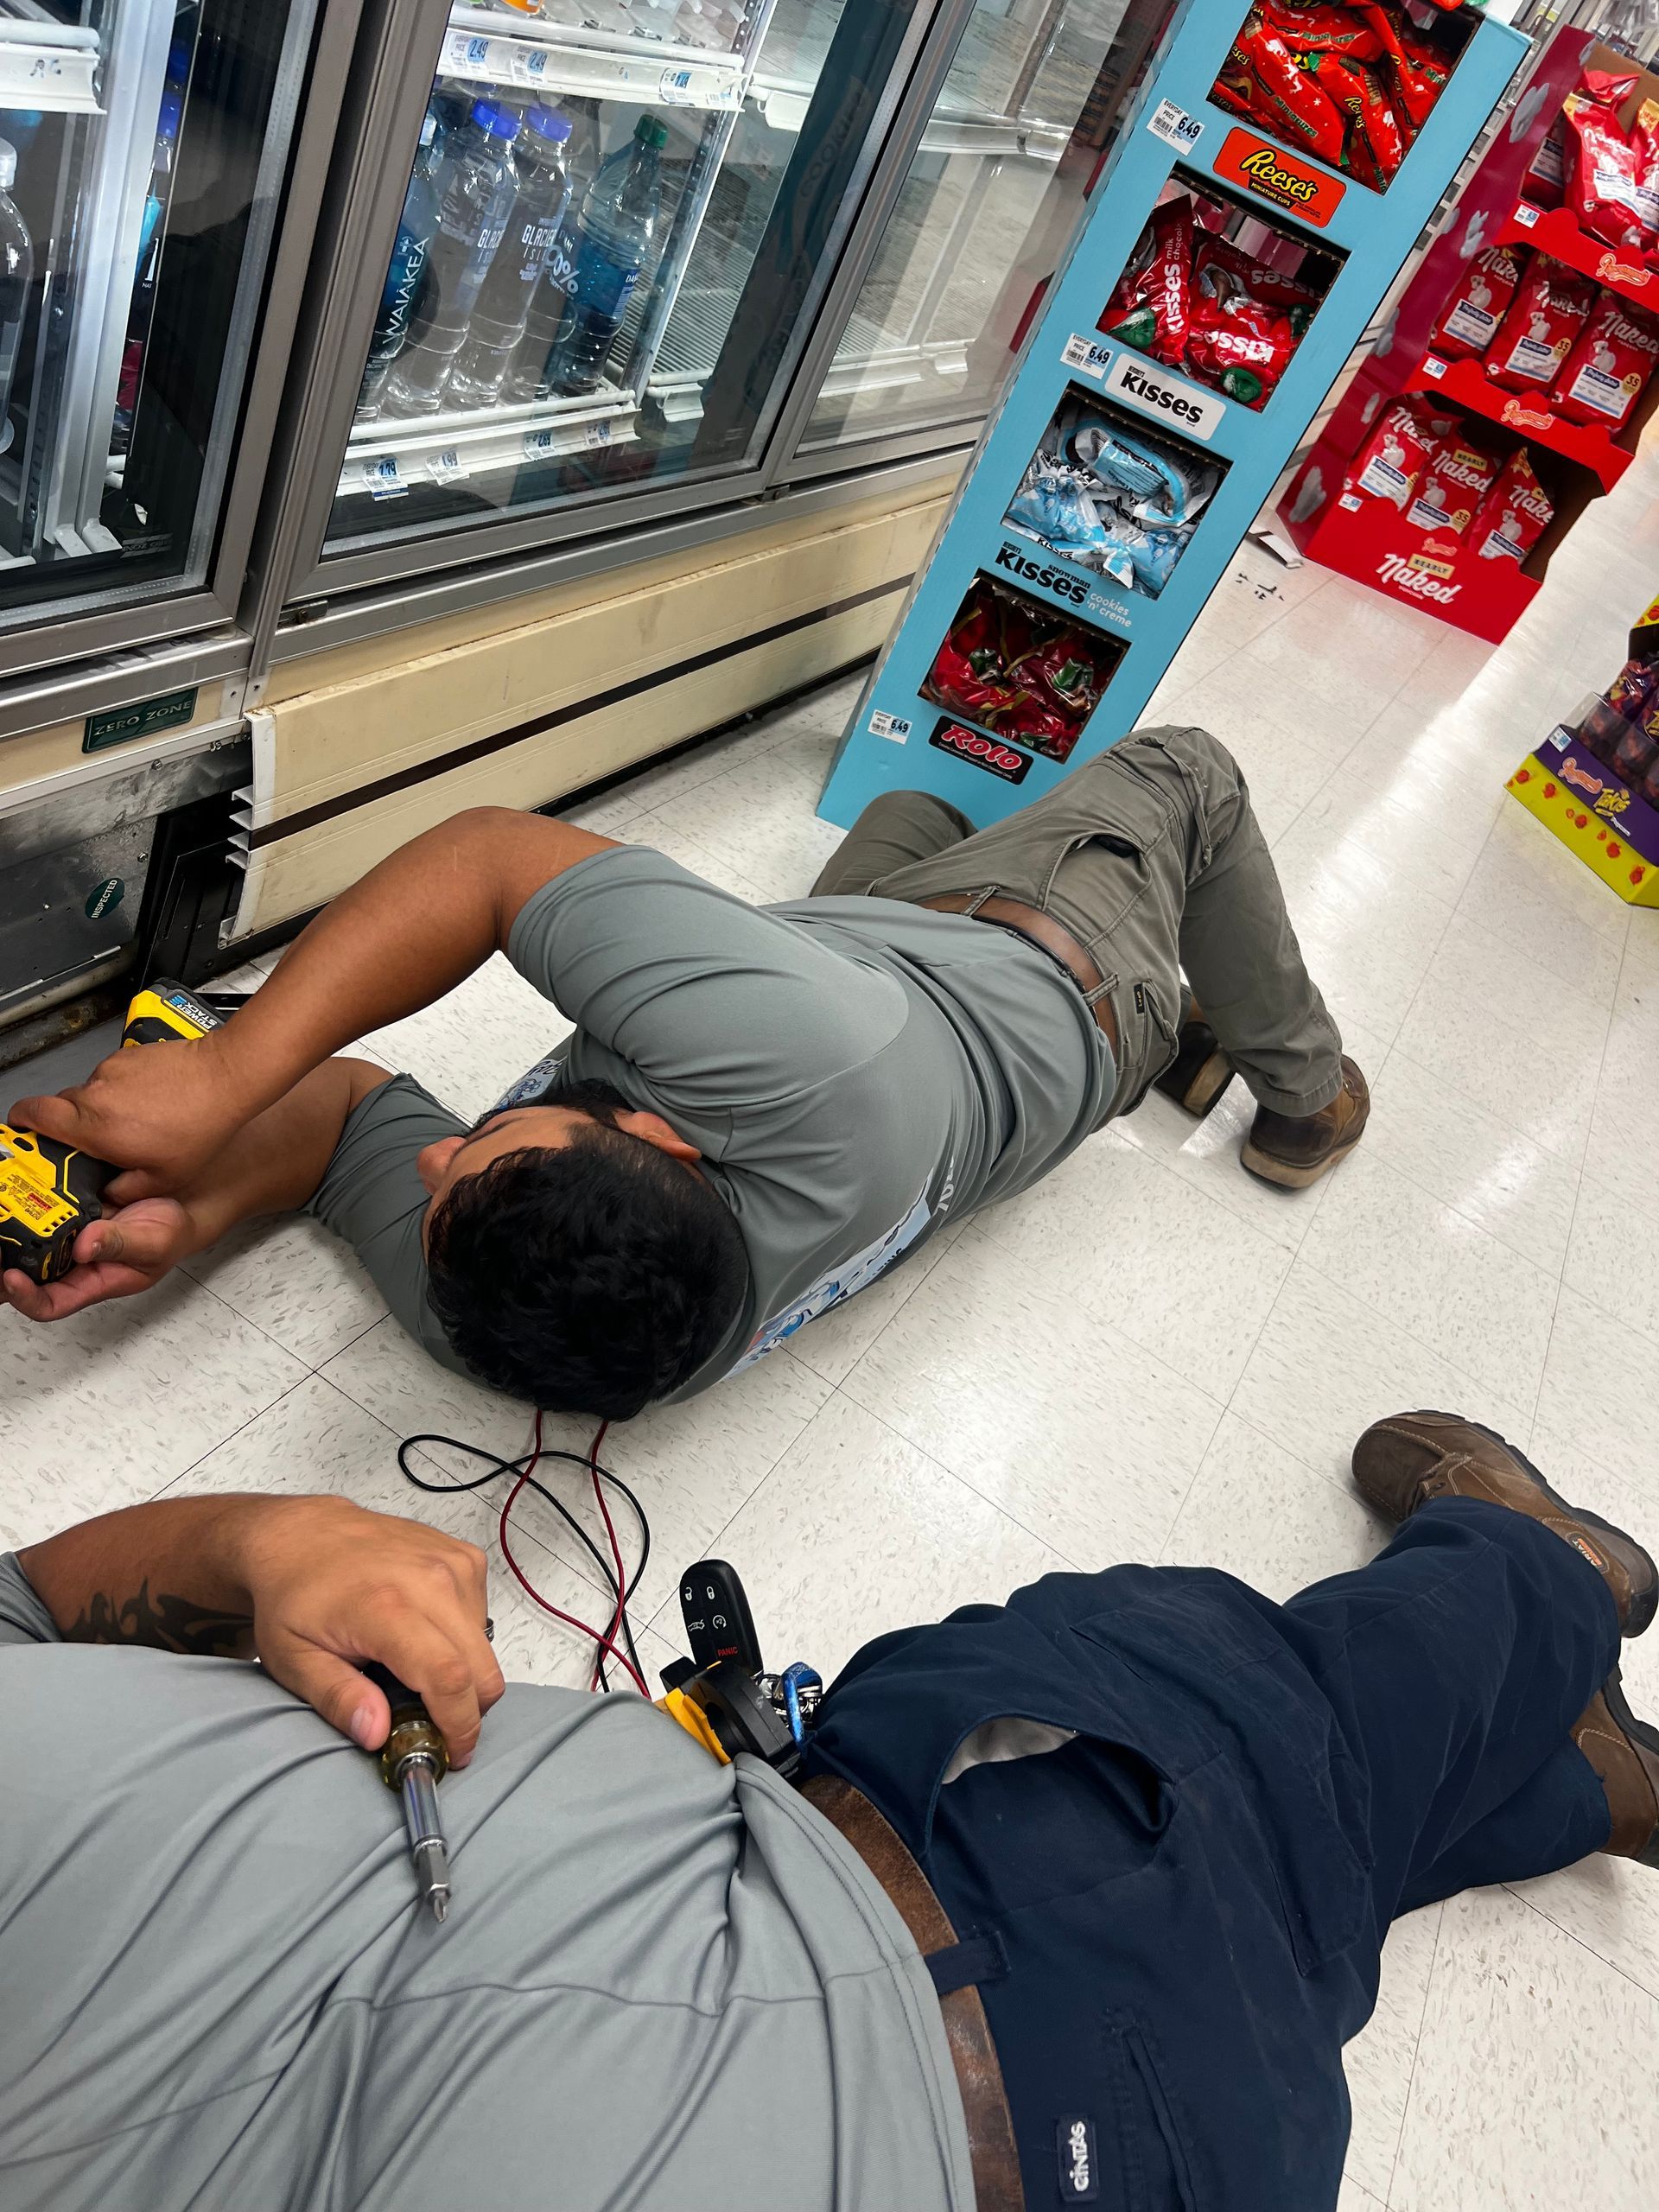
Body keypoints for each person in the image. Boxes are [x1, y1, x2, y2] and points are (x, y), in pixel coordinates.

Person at [3, 1411, 1656, 2212]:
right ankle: (1554, 1576)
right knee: (1240, 1704)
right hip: (990, 1939)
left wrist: (257, 1547)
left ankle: (1572, 1786)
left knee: (1304, 1906)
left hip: (1140, 2124)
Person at [3, 726, 1368, 1420]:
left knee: (918, 814)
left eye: (450, 1172)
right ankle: (1297, 1087)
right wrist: (226, 1078)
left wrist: (209, 1195)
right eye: (474, 1147)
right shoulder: (790, 1070)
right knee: (1173, 771)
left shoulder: (504, 1307)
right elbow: (487, 855)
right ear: (666, 1138)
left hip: (886, 1008)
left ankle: (1237, 1056)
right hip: (1069, 978)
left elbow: (354, 1104)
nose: (434, 1148)